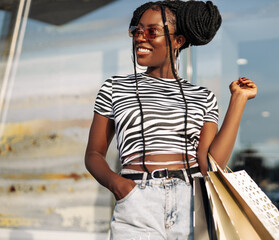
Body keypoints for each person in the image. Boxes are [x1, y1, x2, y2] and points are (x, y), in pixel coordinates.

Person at [84, 1, 257, 239]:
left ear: (178, 41)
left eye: (151, 31)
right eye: (137, 30)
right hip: (137, 202)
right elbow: (94, 154)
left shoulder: (203, 97)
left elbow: (209, 166)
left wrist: (238, 100)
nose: (140, 37)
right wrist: (120, 186)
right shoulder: (115, 88)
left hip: (192, 203)